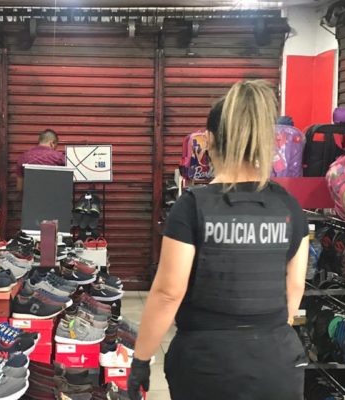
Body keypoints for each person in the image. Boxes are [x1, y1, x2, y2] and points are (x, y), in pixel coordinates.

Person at [127, 80, 309, 400]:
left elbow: (168, 292)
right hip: (277, 362)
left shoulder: (192, 206)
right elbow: (294, 289)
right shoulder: (289, 206)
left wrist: (141, 360)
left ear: (208, 140)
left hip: (208, 364)